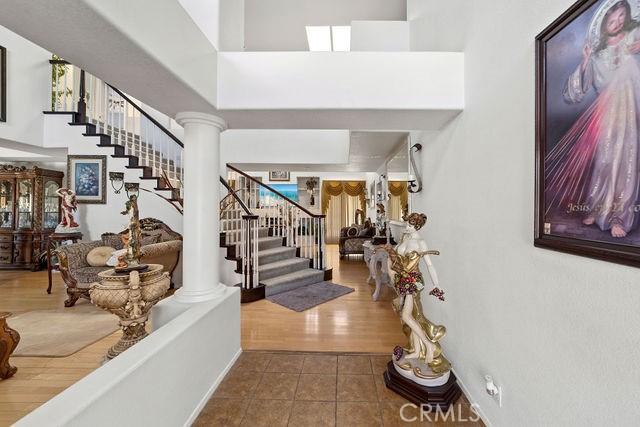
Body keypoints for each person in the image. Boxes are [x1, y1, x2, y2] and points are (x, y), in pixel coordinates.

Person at [546, 0, 640, 237]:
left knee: (626, 162)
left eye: (621, 17)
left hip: (630, 111)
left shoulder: (633, 38)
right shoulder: (597, 54)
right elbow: (575, 93)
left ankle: (620, 216)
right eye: (612, 18)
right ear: (604, 21)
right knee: (604, 160)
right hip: (606, 114)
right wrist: (586, 59)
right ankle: (599, 208)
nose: (617, 22)